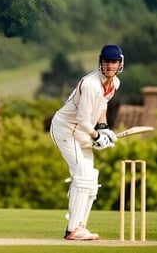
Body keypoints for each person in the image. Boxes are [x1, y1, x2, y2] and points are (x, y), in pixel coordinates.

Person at [49, 44, 123, 240]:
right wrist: (97, 137)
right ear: (100, 62)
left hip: (82, 131)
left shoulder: (114, 83)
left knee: (91, 177)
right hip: (66, 129)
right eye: (106, 62)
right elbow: (82, 120)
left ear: (120, 63)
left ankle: (80, 226)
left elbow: (102, 105)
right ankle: (72, 230)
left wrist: (103, 128)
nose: (109, 66)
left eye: (113, 62)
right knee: (82, 173)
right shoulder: (91, 84)